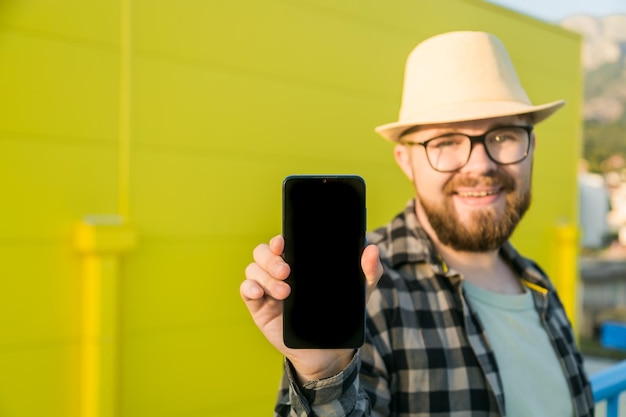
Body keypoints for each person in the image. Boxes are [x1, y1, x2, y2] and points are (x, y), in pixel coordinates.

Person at [240, 31, 595, 416]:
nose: (480, 165)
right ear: (405, 160)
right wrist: (323, 375)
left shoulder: (540, 287)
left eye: (504, 135)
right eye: (445, 142)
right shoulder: (366, 289)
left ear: (532, 148)